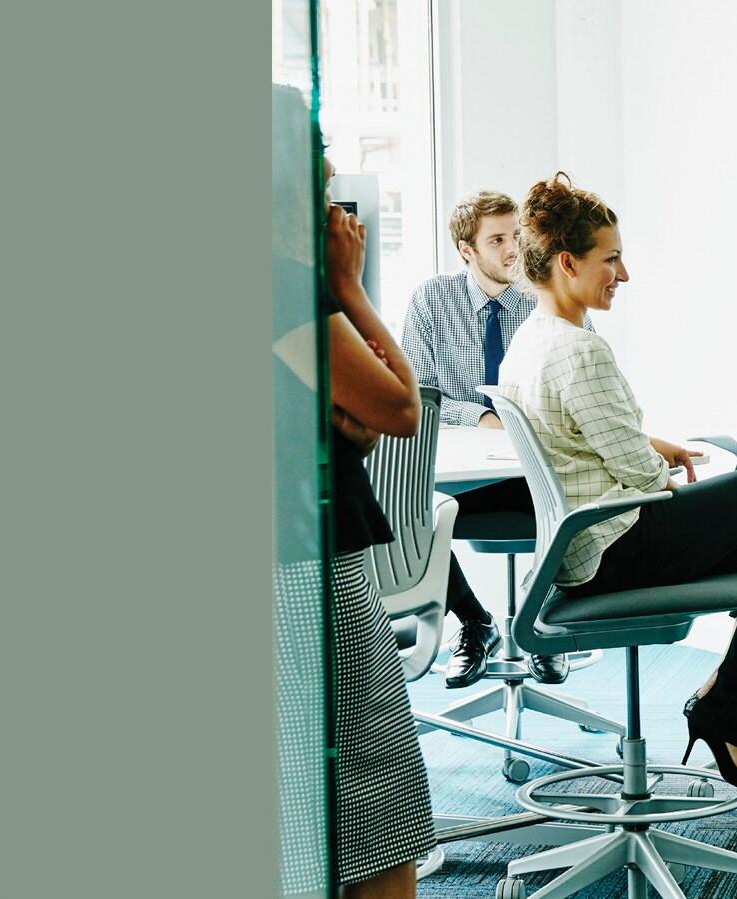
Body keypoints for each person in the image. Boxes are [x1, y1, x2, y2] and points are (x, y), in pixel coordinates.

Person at [487, 173, 737, 793]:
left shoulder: (531, 340)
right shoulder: (581, 351)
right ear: (568, 263)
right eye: (611, 259)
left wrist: (651, 444)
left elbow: (581, 437)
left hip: (585, 544)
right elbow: (646, 480)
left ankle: (727, 717)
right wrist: (660, 464)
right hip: (616, 543)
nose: (624, 274)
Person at [314, 201, 435, 898]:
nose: (340, 212)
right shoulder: (289, 291)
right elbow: (399, 408)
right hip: (318, 558)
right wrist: (347, 286)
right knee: (373, 779)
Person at [396, 191, 563, 688]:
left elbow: (570, 384)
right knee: (407, 512)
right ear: (467, 251)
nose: (514, 249)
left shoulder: (547, 295)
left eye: (517, 236)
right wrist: (489, 419)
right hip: (461, 476)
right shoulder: (432, 299)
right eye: (498, 240)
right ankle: (475, 622)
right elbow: (419, 393)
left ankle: (543, 625)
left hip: (535, 473)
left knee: (577, 501)